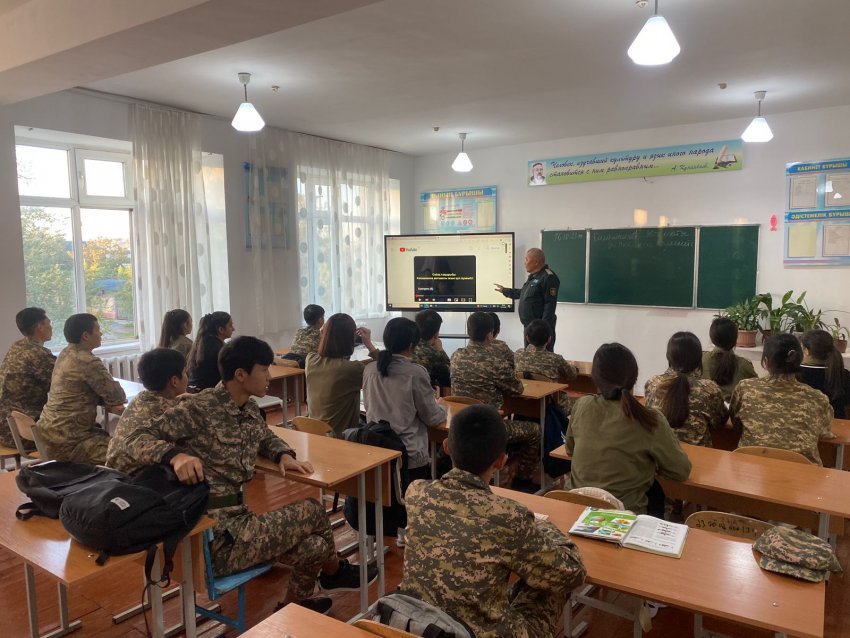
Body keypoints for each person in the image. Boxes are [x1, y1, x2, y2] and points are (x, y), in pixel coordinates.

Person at [117, 336, 375, 614]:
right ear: (240, 374)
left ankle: (292, 609)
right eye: (263, 370)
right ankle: (335, 572)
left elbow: (266, 437)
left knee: (315, 546)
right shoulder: (199, 408)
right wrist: (174, 455)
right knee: (312, 510)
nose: (269, 376)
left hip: (240, 526)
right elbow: (133, 438)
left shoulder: (249, 409)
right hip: (213, 537)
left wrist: (283, 454)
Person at [399, 404, 585, 638]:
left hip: (420, 624)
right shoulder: (508, 516)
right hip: (474, 633)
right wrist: (543, 525)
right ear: (500, 461)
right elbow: (573, 573)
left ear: (446, 447)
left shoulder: (416, 492)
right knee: (549, 583)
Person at [566, 343, 691, 514]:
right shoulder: (649, 418)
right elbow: (681, 471)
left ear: (594, 377)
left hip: (574, 509)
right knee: (655, 492)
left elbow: (570, 449)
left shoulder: (582, 405)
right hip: (624, 518)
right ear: (635, 376)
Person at [450, 312, 541, 490]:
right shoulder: (495, 361)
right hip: (488, 428)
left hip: (461, 424)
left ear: (469, 332)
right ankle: (523, 482)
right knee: (535, 431)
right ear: (490, 335)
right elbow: (517, 389)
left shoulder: (456, 356)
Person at [363, 317, 447, 482]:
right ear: (411, 345)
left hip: (377, 448)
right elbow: (432, 418)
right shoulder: (415, 372)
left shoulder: (369, 369)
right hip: (409, 454)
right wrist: (443, 408)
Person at [731, 333, 833, 464]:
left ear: (765, 362)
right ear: (799, 359)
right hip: (803, 472)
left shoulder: (745, 388)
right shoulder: (817, 398)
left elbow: (736, 422)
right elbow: (824, 431)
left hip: (750, 468)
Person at [38, 313, 126, 464]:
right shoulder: (88, 361)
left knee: (109, 438)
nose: (101, 334)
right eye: (97, 329)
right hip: (71, 442)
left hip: (48, 434)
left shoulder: (65, 353)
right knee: (128, 454)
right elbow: (117, 396)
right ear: (86, 335)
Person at [106, 348, 188, 474]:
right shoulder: (174, 410)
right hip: (136, 478)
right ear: (174, 381)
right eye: (185, 372)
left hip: (111, 472)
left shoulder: (140, 398)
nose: (187, 377)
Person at [644, 332, 727, 447]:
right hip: (699, 456)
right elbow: (720, 421)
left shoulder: (653, 383)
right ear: (699, 359)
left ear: (668, 357)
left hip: (659, 454)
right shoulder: (710, 388)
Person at [305, 313, 378, 437]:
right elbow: (382, 371)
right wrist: (369, 345)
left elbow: (324, 351)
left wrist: (324, 334)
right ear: (351, 339)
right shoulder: (352, 369)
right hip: (340, 436)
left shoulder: (310, 359)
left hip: (314, 433)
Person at [0, 307, 56, 449]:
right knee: (81, 431)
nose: (51, 327)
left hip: (5, 426)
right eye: (49, 323)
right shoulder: (38, 355)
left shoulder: (17, 346)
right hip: (22, 433)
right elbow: (65, 385)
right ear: (40, 327)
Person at [494, 247, 559, 350]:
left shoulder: (548, 277)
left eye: (527, 260)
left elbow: (550, 305)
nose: (525, 263)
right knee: (528, 356)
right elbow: (523, 293)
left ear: (536, 262)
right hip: (530, 328)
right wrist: (505, 291)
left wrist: (543, 329)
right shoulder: (533, 276)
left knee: (543, 358)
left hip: (540, 331)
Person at [514, 319, 576, 415]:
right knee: (578, 402)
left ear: (527, 338)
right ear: (549, 339)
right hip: (549, 406)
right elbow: (572, 375)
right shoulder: (555, 359)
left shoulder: (518, 354)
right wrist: (573, 366)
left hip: (521, 403)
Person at [701, 317, 757, 401]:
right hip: (733, 408)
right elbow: (756, 389)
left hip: (707, 408)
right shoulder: (745, 365)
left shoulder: (701, 360)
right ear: (735, 339)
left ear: (712, 338)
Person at [799, 329, 850, 419]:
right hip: (836, 423)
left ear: (806, 351)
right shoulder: (844, 374)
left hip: (803, 423)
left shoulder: (795, 374)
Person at [186, 311, 233, 390]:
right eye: (230, 325)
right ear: (221, 329)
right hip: (208, 392)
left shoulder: (201, 343)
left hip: (194, 390)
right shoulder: (220, 349)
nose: (233, 329)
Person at [412, 309, 451, 388]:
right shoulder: (434, 355)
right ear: (436, 333)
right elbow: (449, 380)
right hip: (423, 395)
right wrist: (440, 350)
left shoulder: (406, 348)